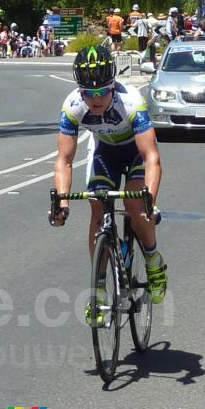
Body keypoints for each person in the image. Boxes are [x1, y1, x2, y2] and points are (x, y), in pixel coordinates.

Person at [51, 46, 167, 325]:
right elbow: (64, 161)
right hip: (105, 153)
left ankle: (152, 260)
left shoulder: (131, 102)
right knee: (96, 206)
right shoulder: (72, 106)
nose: (96, 99)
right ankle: (99, 291)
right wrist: (63, 205)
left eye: (103, 91)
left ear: (113, 86)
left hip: (135, 152)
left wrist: (150, 200)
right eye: (89, 93)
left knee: (134, 203)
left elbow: (152, 157)